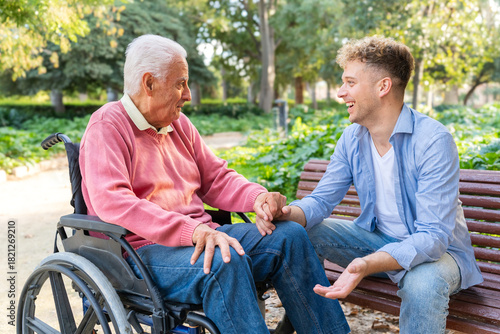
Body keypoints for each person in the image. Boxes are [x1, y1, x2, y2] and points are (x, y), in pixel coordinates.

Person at [79, 34, 350, 334]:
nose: (189, 94)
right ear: (149, 83)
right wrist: (192, 230)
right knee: (223, 260)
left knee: (290, 237)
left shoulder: (179, 125)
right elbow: (112, 201)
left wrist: (257, 198)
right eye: (180, 83)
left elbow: (216, 178)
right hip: (141, 253)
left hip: (204, 237)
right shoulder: (108, 125)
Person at [268, 36, 483, 333]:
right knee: (299, 232)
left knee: (422, 284)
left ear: (383, 87)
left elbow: (433, 237)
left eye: (350, 82)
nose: (341, 93)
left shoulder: (432, 140)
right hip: (380, 242)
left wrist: (367, 263)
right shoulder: (352, 138)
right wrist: (284, 213)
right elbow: (320, 201)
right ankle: (304, 324)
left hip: (441, 255)